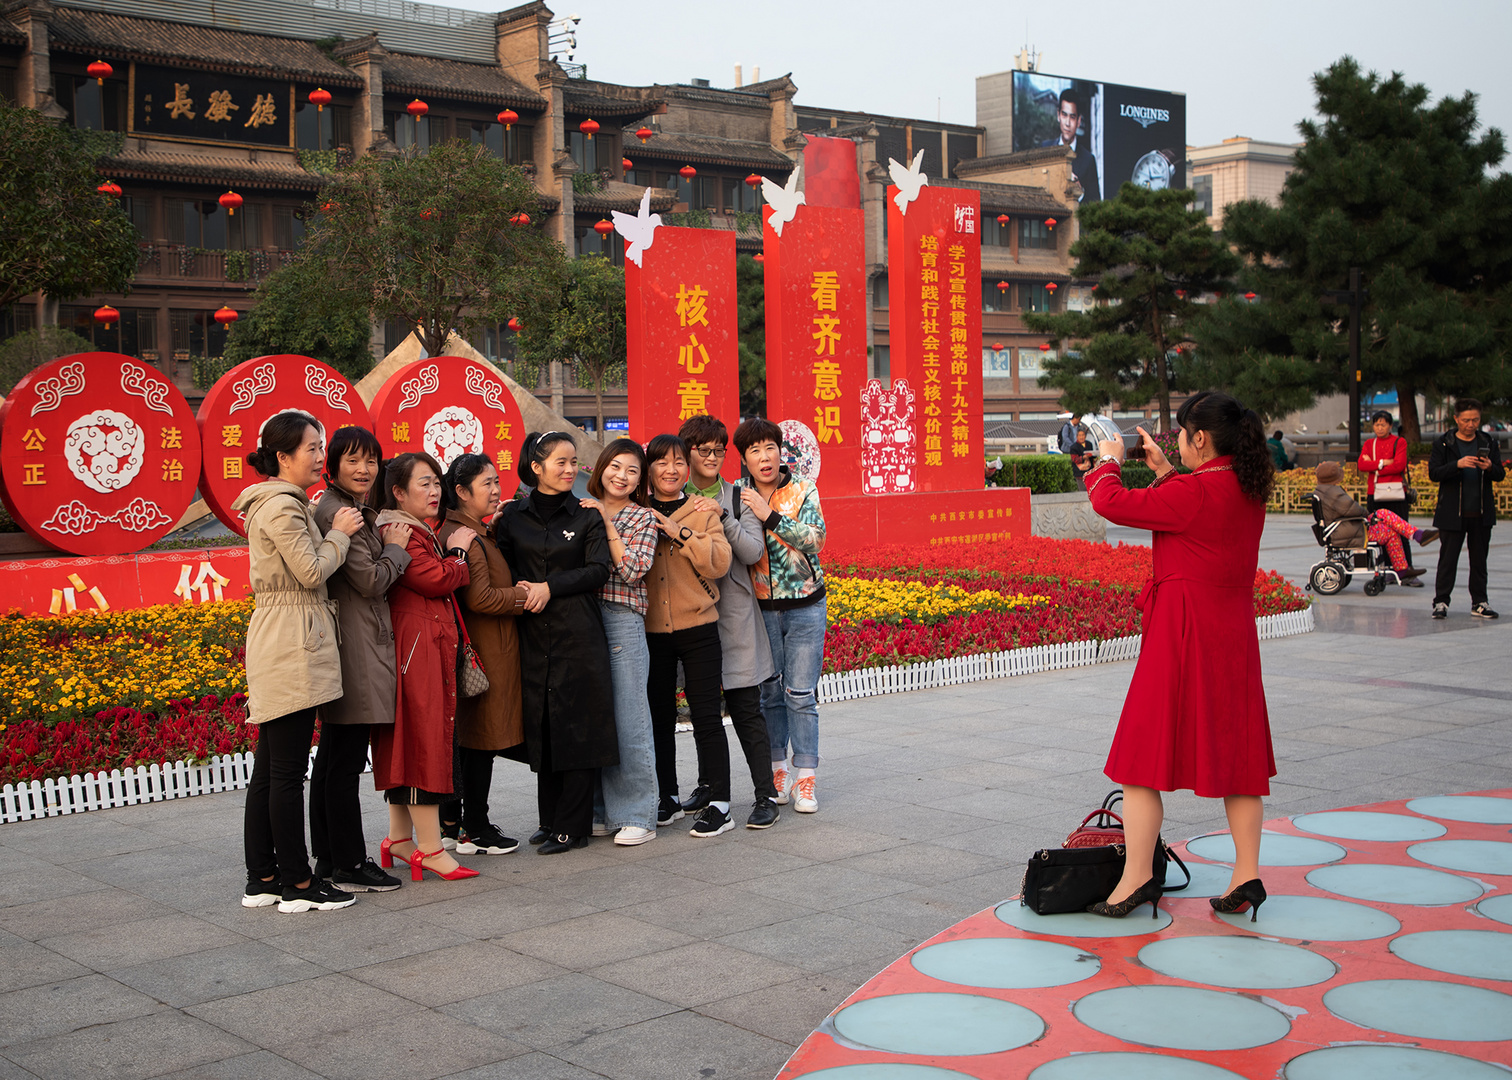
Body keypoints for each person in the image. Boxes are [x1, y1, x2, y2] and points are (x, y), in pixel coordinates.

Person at [1081, 390, 1276, 920]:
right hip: (1232, 635)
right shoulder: (1246, 484)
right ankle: (1247, 876)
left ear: (1201, 438)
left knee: (1141, 759)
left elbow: (1109, 502)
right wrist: (1168, 471)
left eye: (1181, 435)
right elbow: (1198, 512)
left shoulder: (1196, 492)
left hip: (1181, 631)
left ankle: (1137, 879)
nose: (1176, 444)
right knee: (1238, 761)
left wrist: (1107, 460)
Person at [234, 410, 362, 914]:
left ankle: (263, 876)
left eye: (319, 446)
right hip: (292, 640)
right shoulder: (283, 507)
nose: (318, 456)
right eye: (311, 448)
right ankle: (298, 883)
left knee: (270, 769)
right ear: (283, 457)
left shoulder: (278, 503)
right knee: (286, 772)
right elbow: (311, 572)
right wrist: (340, 533)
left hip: (284, 633)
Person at [494, 431, 616, 854]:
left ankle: (574, 826)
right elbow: (503, 569)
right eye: (561, 462)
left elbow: (599, 569)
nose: (570, 470)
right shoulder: (512, 517)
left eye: (573, 462)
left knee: (577, 729)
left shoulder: (586, 515)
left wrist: (550, 586)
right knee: (544, 726)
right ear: (536, 467)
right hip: (531, 635)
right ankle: (550, 821)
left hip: (578, 634)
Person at [309, 426, 409, 895]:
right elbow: (370, 581)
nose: (364, 469)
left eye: (370, 460)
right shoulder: (340, 511)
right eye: (352, 460)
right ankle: (348, 861)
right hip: (357, 645)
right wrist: (397, 548)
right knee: (343, 762)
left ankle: (330, 858)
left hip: (352, 641)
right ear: (333, 464)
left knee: (333, 759)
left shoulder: (345, 506)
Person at [371, 452, 480, 882]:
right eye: (424, 484)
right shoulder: (401, 531)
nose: (435, 491)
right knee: (423, 741)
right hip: (417, 649)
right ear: (398, 493)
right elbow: (434, 579)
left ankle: (400, 839)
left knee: (409, 741)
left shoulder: (410, 529)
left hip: (419, 645)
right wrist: (457, 554)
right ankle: (431, 849)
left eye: (437, 482)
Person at [680, 415, 781, 829]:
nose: (712, 457)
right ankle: (708, 784)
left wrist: (723, 516)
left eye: (719, 450)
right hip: (690, 619)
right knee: (703, 711)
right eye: (703, 450)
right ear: (687, 453)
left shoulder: (739, 497)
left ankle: (765, 795)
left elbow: (754, 551)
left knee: (745, 709)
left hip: (734, 618)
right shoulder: (669, 495)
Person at [641, 434, 737, 837]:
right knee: (659, 720)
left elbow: (719, 562)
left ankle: (720, 802)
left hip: (699, 627)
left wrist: (678, 531)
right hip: (651, 632)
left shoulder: (701, 510)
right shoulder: (635, 511)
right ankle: (667, 796)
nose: (671, 469)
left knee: (706, 717)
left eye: (679, 462)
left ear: (688, 468)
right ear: (649, 469)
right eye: (661, 462)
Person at [437, 453, 529, 857]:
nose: (495, 490)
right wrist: (524, 596)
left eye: (497, 481)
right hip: (487, 650)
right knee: (479, 743)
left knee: (473, 740)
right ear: (461, 491)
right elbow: (481, 597)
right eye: (487, 484)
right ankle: (476, 825)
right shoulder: (467, 537)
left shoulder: (471, 530)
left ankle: (457, 823)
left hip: (489, 647)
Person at [734, 418, 828, 814]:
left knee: (800, 694)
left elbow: (816, 538)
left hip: (806, 606)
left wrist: (769, 515)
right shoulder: (736, 496)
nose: (763, 457)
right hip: (761, 611)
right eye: (753, 450)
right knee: (769, 693)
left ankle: (805, 777)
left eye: (768, 447)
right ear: (744, 459)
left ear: (779, 450)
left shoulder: (803, 489)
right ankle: (778, 771)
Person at [581, 438, 660, 846]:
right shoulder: (578, 507)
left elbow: (632, 569)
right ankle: (598, 810)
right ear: (601, 467)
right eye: (615, 466)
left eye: (632, 471)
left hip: (621, 620)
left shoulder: (642, 518)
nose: (621, 476)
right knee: (594, 717)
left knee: (629, 717)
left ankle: (637, 813)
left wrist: (607, 523)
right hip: (583, 620)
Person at [1429, 398, 1505, 620]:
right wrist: (1457, 465)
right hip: (1452, 513)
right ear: (1456, 419)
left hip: (1481, 512)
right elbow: (1434, 473)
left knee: (1479, 561)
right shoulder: (1444, 443)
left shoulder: (1488, 441)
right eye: (1466, 420)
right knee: (1447, 560)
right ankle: (1441, 602)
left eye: (1475, 420)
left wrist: (1490, 467)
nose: (1471, 424)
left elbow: (1500, 474)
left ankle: (1480, 602)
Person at [1312, 461, 1433, 579]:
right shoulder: (1334, 493)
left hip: (1343, 529)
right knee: (1384, 516)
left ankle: (1404, 563)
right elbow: (1352, 509)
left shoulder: (1324, 491)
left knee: (1387, 525)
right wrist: (1368, 515)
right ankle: (1415, 538)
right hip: (1347, 531)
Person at [1358, 411, 1417, 580]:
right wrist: (1385, 462)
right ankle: (1385, 570)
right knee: (1380, 532)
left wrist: (1374, 465)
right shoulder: (1370, 443)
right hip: (1375, 493)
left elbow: (1399, 466)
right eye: (1376, 424)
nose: (1380, 427)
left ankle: (1406, 570)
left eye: (1383, 424)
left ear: (1390, 426)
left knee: (1401, 530)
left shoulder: (1399, 442)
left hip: (1396, 493)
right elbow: (1362, 464)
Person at [1038, 88, 1100, 202]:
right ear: (1058, 116)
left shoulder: (1088, 160)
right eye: (1064, 115)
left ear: (1078, 121)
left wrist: (1079, 193)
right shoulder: (1045, 149)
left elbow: (1095, 208)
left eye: (1072, 117)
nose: (1067, 123)